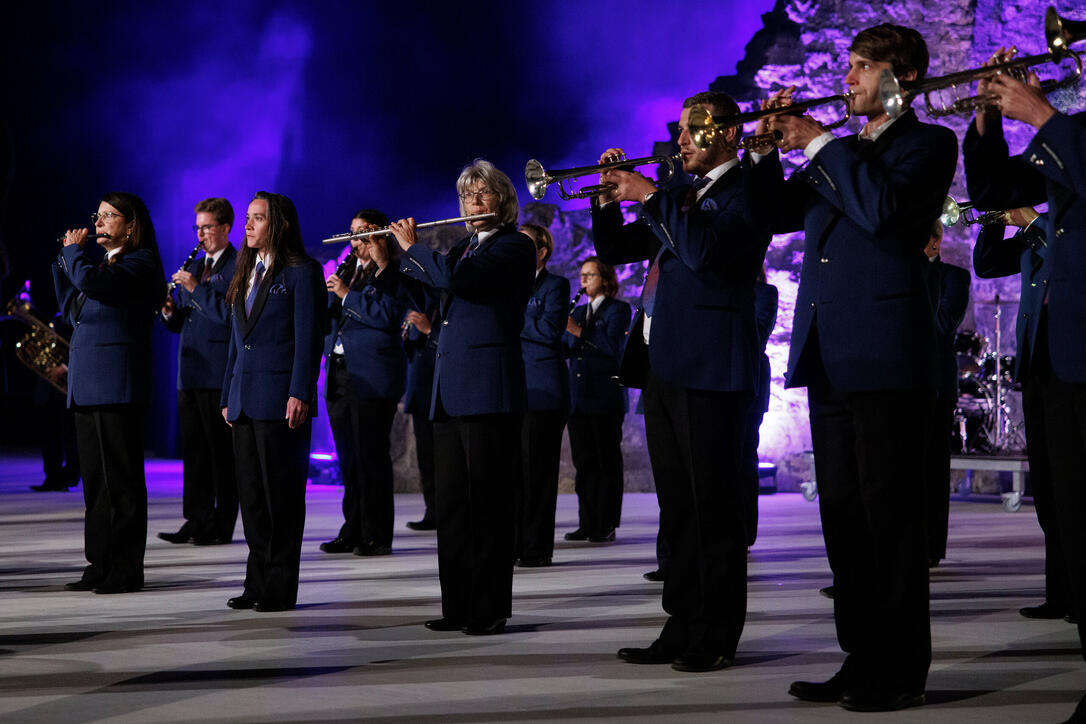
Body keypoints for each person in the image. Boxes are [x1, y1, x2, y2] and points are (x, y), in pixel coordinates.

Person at [754, 23, 957, 711]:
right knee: (843, 516)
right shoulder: (841, 153)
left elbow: (884, 212)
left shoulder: (927, 145)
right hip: (831, 354)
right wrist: (761, 154)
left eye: (862, 67)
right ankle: (861, 658)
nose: (848, 79)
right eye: (849, 66)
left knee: (891, 518)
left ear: (900, 78)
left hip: (886, 355)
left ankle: (901, 672)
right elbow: (776, 214)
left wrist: (816, 141)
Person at [591, 90, 771, 673]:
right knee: (679, 508)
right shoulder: (679, 194)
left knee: (713, 508)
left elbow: (702, 254)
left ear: (725, 134)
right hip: (664, 366)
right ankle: (682, 621)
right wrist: (607, 200)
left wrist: (650, 194)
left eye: (693, 131)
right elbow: (616, 248)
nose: (680, 141)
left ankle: (717, 632)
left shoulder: (746, 191)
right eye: (682, 131)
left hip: (712, 369)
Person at [962, 51, 1086, 721]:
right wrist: (988, 112)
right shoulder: (1073, 131)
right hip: (1058, 361)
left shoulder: (1070, 132)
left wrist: (1042, 114)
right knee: (1066, 510)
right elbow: (989, 193)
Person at [390, 159, 536, 636]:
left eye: (482, 194)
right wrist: (385, 259)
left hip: (488, 389)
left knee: (489, 505)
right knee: (451, 506)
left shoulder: (515, 246)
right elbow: (426, 290)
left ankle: (489, 607)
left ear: (503, 201)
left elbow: (463, 284)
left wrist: (415, 248)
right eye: (466, 196)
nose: (471, 204)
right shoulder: (461, 249)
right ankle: (458, 605)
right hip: (450, 391)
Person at [52, 191, 166, 594]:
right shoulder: (99, 266)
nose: (98, 221)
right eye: (96, 215)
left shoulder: (140, 263)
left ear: (131, 224)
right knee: (96, 484)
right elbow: (71, 309)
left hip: (117, 385)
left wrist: (74, 257)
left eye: (107, 216)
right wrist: (63, 259)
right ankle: (99, 562)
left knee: (123, 481)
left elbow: (92, 283)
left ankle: (126, 566)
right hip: (87, 386)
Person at [220, 191, 324, 613]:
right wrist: (228, 392)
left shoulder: (302, 272)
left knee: (281, 497)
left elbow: (309, 339)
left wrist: (300, 391)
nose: (248, 225)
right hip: (244, 400)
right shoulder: (244, 270)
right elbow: (236, 342)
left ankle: (280, 587)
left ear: (278, 224)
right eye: (247, 217)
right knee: (252, 498)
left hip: (281, 399)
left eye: (257, 218)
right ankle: (256, 580)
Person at [972, 207, 1069, 620]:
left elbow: (1068, 259)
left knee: (1073, 485)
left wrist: (1030, 220)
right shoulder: (1040, 227)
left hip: (1074, 367)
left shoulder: (1066, 226)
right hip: (1038, 368)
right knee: (1047, 488)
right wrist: (994, 220)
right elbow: (989, 264)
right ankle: (1062, 594)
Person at [321, 209, 407, 557]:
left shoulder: (393, 272)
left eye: (365, 232)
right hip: (341, 372)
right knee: (350, 459)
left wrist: (346, 294)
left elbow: (387, 315)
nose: (357, 239)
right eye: (353, 232)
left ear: (382, 235)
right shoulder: (349, 270)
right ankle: (352, 527)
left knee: (371, 457)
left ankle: (377, 534)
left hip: (372, 376)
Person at [158, 197, 238, 546]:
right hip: (189, 373)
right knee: (194, 452)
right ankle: (196, 518)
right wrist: (168, 311)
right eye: (198, 228)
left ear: (225, 228)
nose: (201, 234)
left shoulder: (237, 265)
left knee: (221, 454)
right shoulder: (199, 266)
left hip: (217, 373)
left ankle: (221, 524)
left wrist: (194, 288)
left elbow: (229, 316)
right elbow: (183, 324)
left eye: (207, 227)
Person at [562, 256, 630, 545]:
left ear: (605, 279)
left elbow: (613, 347)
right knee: (584, 463)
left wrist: (578, 332)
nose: (584, 281)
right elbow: (566, 347)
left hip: (605, 397)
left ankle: (606, 523)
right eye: (582, 275)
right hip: (578, 398)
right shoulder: (577, 311)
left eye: (590, 275)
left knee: (607, 462)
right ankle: (587, 522)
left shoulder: (619, 310)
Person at [515, 223, 570, 567]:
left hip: (543, 393)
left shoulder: (556, 285)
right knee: (512, 473)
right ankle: (513, 541)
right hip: (511, 389)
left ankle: (535, 547)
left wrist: (509, 314)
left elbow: (550, 330)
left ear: (542, 252)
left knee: (537, 472)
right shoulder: (506, 284)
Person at [922, 220, 970, 567]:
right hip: (899, 382)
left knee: (933, 469)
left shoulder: (954, 277)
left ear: (936, 241)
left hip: (937, 384)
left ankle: (930, 548)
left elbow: (942, 323)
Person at [744, 269, 778, 548]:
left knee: (744, 456)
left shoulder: (766, 293)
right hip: (718, 379)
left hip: (750, 379)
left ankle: (744, 531)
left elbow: (758, 331)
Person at [403, 298, 439, 531]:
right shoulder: (418, 303)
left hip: (441, 390)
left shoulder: (443, 301)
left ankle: (446, 510)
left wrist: (429, 331)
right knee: (425, 457)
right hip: (420, 391)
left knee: (443, 458)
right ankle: (432, 510)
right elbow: (412, 353)